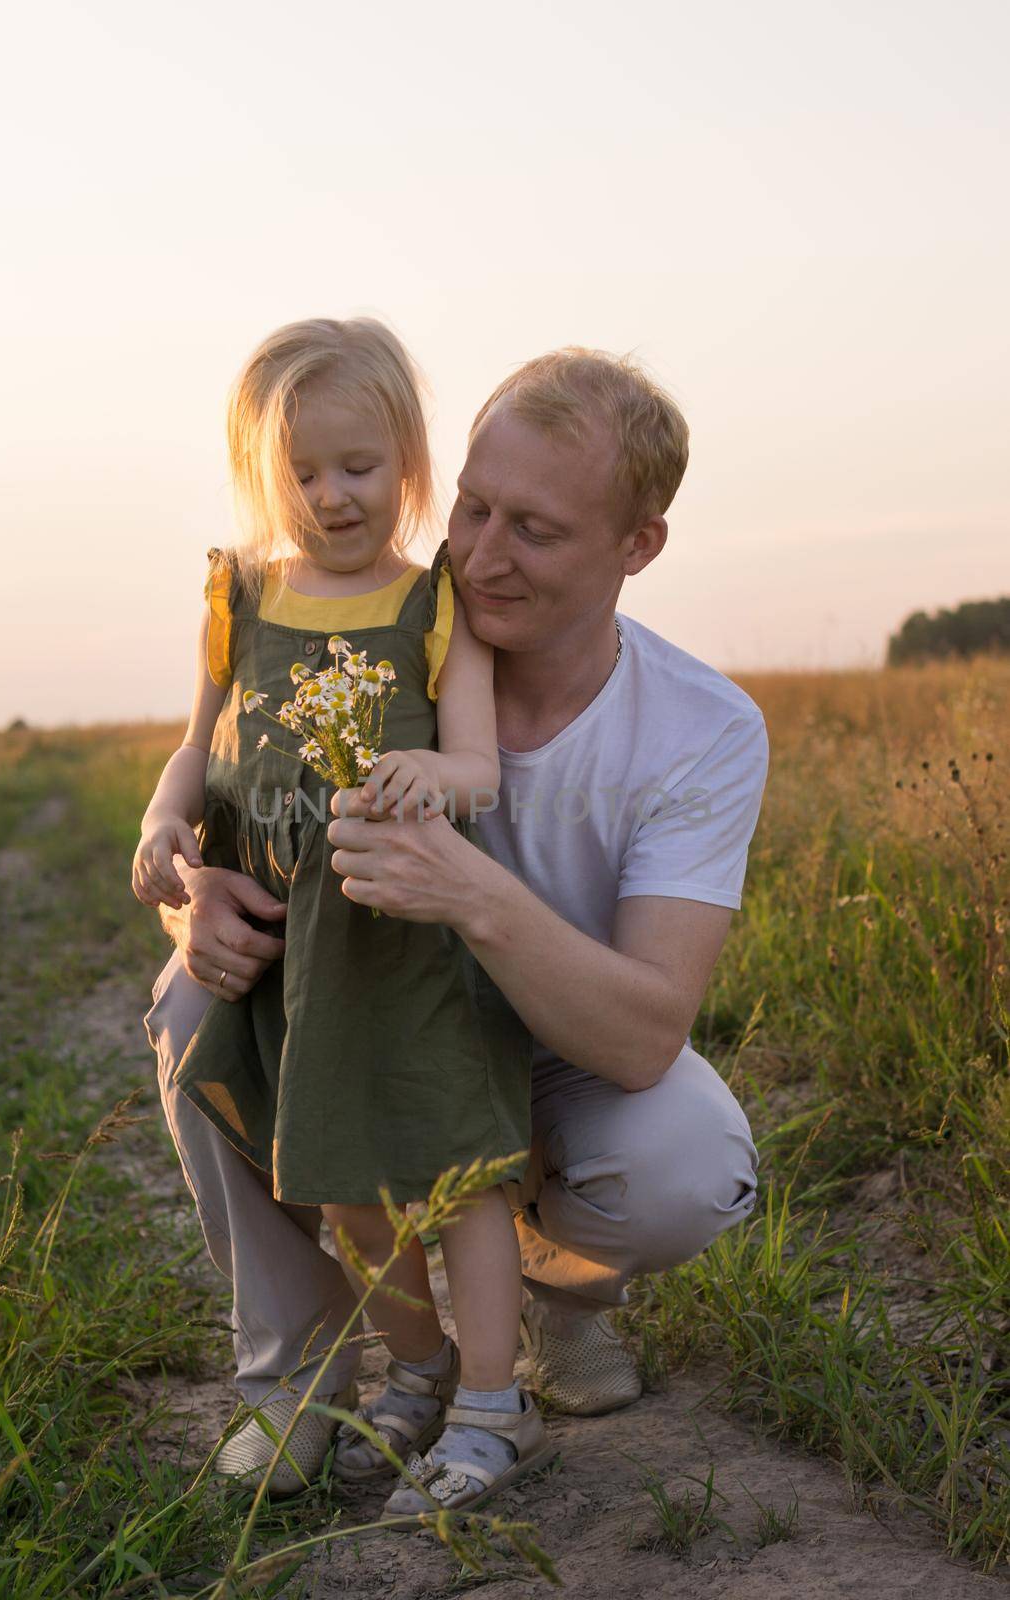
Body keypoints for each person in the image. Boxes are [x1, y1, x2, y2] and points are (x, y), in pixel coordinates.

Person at [144, 343, 767, 1514]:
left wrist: (460, 885)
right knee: (187, 1010)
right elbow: (238, 770)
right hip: (365, 997)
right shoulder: (361, 620)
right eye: (473, 508)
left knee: (683, 1161)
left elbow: (641, 1036)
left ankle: (557, 1304)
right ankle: (307, 1369)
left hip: (568, 1052)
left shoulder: (703, 729)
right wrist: (194, 898)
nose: (478, 554)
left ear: (637, 547)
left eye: (531, 530)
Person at [133, 317, 556, 1517]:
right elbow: (194, 742)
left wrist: (436, 781)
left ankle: (490, 1401)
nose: (330, 496)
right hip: (290, 954)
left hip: (407, 938)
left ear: (407, 462)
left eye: (357, 468)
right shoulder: (241, 592)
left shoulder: (432, 602)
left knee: (457, 1172)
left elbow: (477, 763)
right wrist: (160, 821)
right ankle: (414, 1371)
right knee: (346, 1183)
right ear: (266, 477)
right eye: (302, 473)